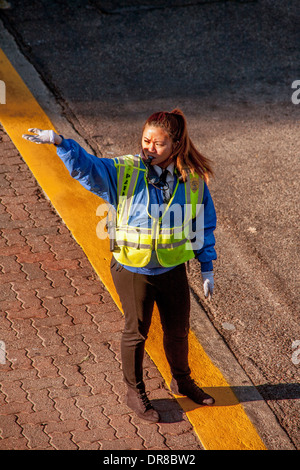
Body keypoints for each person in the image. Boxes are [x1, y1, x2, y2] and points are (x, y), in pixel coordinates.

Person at [22, 109, 217, 423]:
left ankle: (182, 380)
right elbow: (90, 168)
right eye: (145, 140)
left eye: (158, 143)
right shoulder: (127, 171)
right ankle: (134, 391)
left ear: (177, 145)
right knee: (137, 332)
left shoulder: (192, 180)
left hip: (171, 268)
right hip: (132, 269)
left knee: (179, 331)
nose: (149, 148)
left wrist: (206, 266)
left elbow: (204, 224)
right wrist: (60, 143)